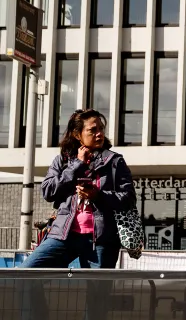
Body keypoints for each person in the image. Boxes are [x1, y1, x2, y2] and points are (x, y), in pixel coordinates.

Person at [23, 109, 135, 269]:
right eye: (93, 130)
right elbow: (48, 191)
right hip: (64, 234)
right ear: (77, 134)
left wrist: (98, 195)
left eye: (101, 129)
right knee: (26, 272)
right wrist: (77, 165)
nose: (99, 134)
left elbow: (128, 198)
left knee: (97, 285)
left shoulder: (114, 161)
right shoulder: (62, 160)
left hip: (101, 239)